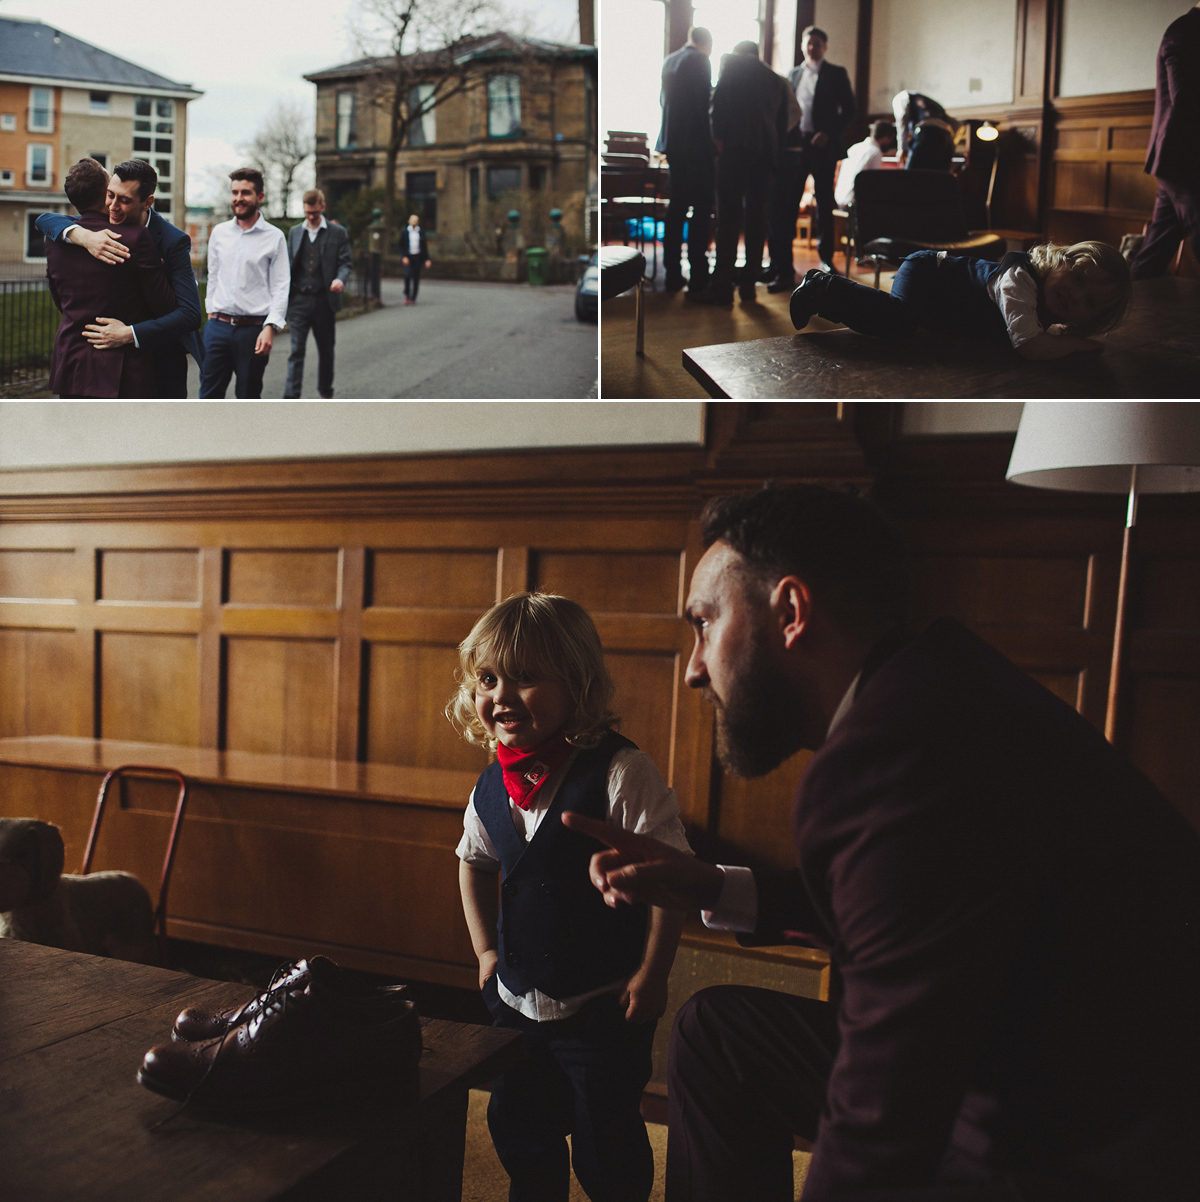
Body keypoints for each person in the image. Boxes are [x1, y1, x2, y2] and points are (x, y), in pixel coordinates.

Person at [565, 482, 1200, 1202]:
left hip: (1090, 1135)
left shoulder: (887, 758)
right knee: (718, 1033)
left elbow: (884, 1112)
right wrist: (713, 886)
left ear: (792, 612)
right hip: (1061, 1051)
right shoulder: (938, 684)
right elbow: (917, 901)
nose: (692, 667)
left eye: (705, 624)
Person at [450, 592, 690, 1202]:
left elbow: (671, 878)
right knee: (518, 1124)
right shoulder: (492, 783)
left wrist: (652, 973)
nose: (500, 695)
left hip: (604, 1004)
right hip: (516, 999)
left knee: (605, 1135)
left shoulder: (619, 772)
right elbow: (472, 864)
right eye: (487, 679)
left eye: (525, 678)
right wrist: (484, 951)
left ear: (577, 683)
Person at [788, 240, 1132, 359]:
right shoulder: (1019, 280)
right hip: (928, 274)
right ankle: (825, 289)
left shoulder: (1048, 309)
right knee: (900, 322)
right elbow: (1031, 347)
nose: (1075, 295)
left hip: (940, 305)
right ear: (1059, 261)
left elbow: (1045, 337)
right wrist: (1083, 346)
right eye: (1077, 279)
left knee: (917, 328)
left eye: (1089, 302)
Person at [36, 159, 204, 397]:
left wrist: (128, 333)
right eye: (110, 195)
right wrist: (84, 237)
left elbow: (189, 315)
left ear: (147, 202)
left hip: (160, 361)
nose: (113, 206)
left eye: (124, 200)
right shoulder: (81, 232)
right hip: (109, 367)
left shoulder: (173, 241)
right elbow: (44, 220)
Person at [693, 41, 789, 306]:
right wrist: (775, 163)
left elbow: (717, 103)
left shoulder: (732, 65)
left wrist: (719, 142)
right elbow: (782, 127)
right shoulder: (776, 79)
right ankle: (748, 285)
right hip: (765, 155)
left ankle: (722, 286)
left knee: (728, 218)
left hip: (735, 150)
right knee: (757, 220)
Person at [765, 26, 857, 290]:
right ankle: (784, 264)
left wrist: (828, 132)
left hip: (823, 146)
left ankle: (826, 258)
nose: (812, 48)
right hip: (795, 147)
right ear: (803, 46)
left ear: (824, 47)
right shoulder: (792, 74)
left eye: (817, 44)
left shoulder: (836, 73)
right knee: (789, 203)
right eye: (808, 44)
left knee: (825, 202)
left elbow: (850, 110)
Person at [199, 168, 289, 399]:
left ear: (259, 197)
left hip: (253, 331)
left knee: (248, 398)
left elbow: (281, 286)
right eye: (235, 192)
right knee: (208, 397)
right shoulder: (219, 233)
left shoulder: (274, 236)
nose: (238, 198)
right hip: (217, 328)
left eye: (245, 193)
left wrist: (271, 327)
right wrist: (211, 314)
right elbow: (213, 276)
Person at [1130, 4, 1200, 279]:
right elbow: (1186, 99)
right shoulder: (1185, 30)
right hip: (1184, 159)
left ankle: (1121, 309)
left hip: (1179, 160)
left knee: (1154, 252)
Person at [656, 26, 715, 294]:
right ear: (708, 44)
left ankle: (671, 273)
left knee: (676, 209)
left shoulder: (670, 60)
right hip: (697, 146)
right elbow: (705, 105)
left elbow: (662, 102)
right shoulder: (701, 60)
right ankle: (699, 273)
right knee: (702, 209)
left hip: (674, 145)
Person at [283, 188, 352, 399]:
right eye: (307, 213)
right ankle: (291, 399)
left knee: (326, 351)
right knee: (296, 352)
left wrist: (340, 279)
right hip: (299, 301)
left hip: (324, 301)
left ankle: (325, 393)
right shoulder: (295, 232)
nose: (311, 217)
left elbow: (345, 262)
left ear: (322, 207)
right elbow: (286, 264)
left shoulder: (338, 232)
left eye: (314, 212)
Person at [834, 119, 896, 209]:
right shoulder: (875, 152)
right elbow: (874, 182)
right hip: (853, 204)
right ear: (886, 138)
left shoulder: (855, 147)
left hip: (839, 198)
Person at [893, 90, 958, 170]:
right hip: (947, 138)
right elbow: (955, 123)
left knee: (910, 177)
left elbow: (902, 119)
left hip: (926, 134)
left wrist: (902, 149)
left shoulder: (900, 97)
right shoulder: (933, 105)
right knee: (939, 177)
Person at [401, 214, 431, 304]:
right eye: (413, 220)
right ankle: (407, 295)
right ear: (409, 221)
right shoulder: (404, 232)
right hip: (408, 257)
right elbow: (401, 246)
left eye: (416, 220)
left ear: (418, 222)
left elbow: (424, 247)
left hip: (418, 257)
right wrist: (404, 256)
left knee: (416, 277)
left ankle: (413, 298)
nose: (414, 222)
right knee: (407, 275)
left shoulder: (421, 232)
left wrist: (427, 259)